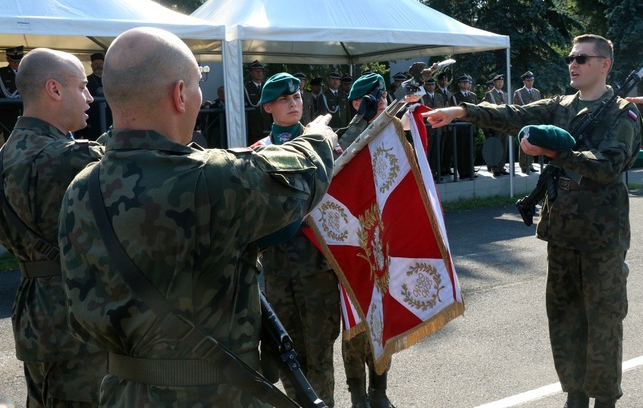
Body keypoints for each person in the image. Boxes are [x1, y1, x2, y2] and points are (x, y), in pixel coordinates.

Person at [58, 27, 337, 407]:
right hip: (215, 396)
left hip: (124, 393)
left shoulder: (81, 188)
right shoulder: (212, 178)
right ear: (179, 94)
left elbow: (80, 317)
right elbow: (305, 174)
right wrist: (319, 136)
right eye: (196, 84)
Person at [424, 34, 641, 408]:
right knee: (563, 320)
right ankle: (574, 395)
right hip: (561, 234)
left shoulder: (623, 113)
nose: (573, 64)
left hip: (601, 239)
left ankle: (604, 399)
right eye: (571, 57)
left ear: (604, 64)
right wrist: (462, 112)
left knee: (603, 323)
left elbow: (608, 167)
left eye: (583, 58)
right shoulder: (561, 105)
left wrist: (557, 151)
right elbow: (513, 115)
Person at [0, 48, 106, 406]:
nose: (90, 96)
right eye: (82, 87)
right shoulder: (69, 158)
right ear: (54, 89)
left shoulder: (7, 154)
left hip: (35, 312)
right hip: (76, 317)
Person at [254, 73, 341, 407]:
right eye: (284, 99)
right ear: (268, 107)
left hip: (318, 270)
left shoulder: (326, 146)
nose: (294, 103)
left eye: (297, 97)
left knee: (319, 353)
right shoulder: (259, 153)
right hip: (276, 272)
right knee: (286, 351)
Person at [339, 73, 396, 408]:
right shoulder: (346, 133)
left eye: (384, 96)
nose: (383, 102)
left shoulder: (390, 131)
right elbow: (337, 158)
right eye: (376, 98)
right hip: (349, 238)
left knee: (381, 318)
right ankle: (357, 394)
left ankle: (379, 390)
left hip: (383, 236)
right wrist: (362, 119)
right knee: (354, 323)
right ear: (359, 103)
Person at [76, 52, 111, 140]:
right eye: (95, 64)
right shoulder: (86, 81)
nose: (98, 66)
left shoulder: (111, 79)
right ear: (91, 66)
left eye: (100, 63)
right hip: (93, 118)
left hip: (110, 117)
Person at [514, 71, 543, 173]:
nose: (531, 82)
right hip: (524, 122)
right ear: (524, 81)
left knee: (532, 143)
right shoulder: (519, 93)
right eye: (528, 81)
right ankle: (523, 165)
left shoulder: (537, 92)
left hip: (534, 122)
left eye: (532, 80)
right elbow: (517, 108)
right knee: (524, 143)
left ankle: (530, 164)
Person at [451, 74, 478, 179]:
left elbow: (477, 110)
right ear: (459, 84)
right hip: (461, 127)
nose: (465, 84)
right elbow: (453, 111)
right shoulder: (455, 97)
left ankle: (470, 170)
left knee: (471, 150)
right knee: (461, 150)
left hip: (471, 127)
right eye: (463, 82)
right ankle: (462, 172)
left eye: (467, 82)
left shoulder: (473, 96)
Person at [484, 74, 509, 176]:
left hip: (505, 124)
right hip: (495, 124)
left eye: (502, 82)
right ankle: (494, 168)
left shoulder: (505, 94)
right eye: (498, 82)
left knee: (503, 146)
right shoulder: (490, 94)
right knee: (495, 146)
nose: (500, 83)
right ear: (494, 83)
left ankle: (501, 166)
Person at [421, 77, 447, 175]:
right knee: (428, 150)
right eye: (428, 84)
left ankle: (436, 171)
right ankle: (427, 172)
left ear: (435, 85)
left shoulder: (439, 96)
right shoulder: (422, 97)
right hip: (427, 128)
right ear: (425, 86)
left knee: (437, 151)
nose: (431, 86)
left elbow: (444, 111)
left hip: (438, 127)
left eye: (432, 84)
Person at [0, 46, 24, 143]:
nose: (16, 63)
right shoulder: (1, 73)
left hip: (25, 116)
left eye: (19, 61)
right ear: (7, 60)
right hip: (7, 116)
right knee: (9, 145)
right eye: (13, 61)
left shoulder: (29, 72)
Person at [244, 59, 270, 144]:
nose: (259, 73)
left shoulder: (267, 87)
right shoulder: (246, 88)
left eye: (261, 71)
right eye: (256, 71)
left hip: (267, 124)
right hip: (253, 125)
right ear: (251, 73)